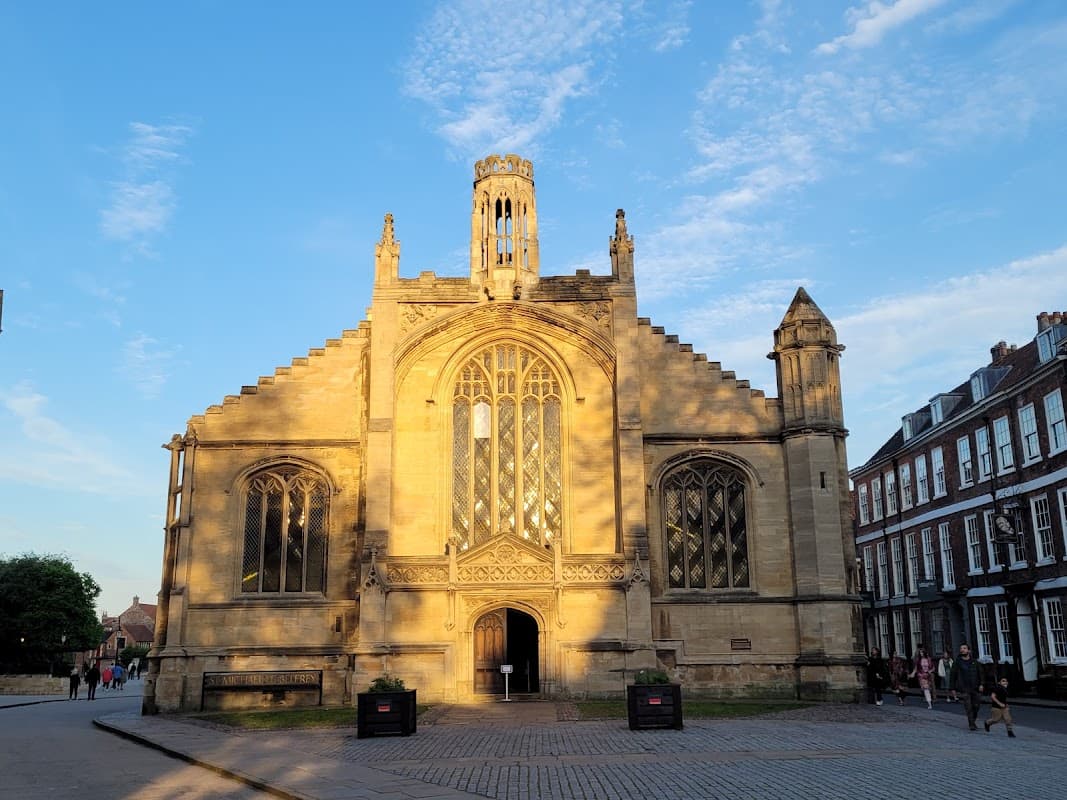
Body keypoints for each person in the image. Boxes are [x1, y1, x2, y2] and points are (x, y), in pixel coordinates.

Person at [950, 643, 985, 730]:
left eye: (964, 648)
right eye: (961, 648)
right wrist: (952, 688)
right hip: (964, 687)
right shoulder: (957, 662)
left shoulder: (974, 662)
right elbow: (953, 675)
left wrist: (982, 684)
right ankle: (971, 724)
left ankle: (973, 720)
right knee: (968, 706)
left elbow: (981, 673)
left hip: (975, 687)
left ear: (968, 650)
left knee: (976, 705)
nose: (962, 650)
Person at [911, 645, 936, 709]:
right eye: (920, 653)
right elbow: (916, 668)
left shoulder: (929, 659)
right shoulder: (918, 661)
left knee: (929, 688)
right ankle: (929, 703)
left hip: (928, 675)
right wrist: (913, 674)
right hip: (922, 675)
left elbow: (933, 668)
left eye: (922, 652)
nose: (921, 654)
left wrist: (930, 671)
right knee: (926, 689)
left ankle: (930, 699)